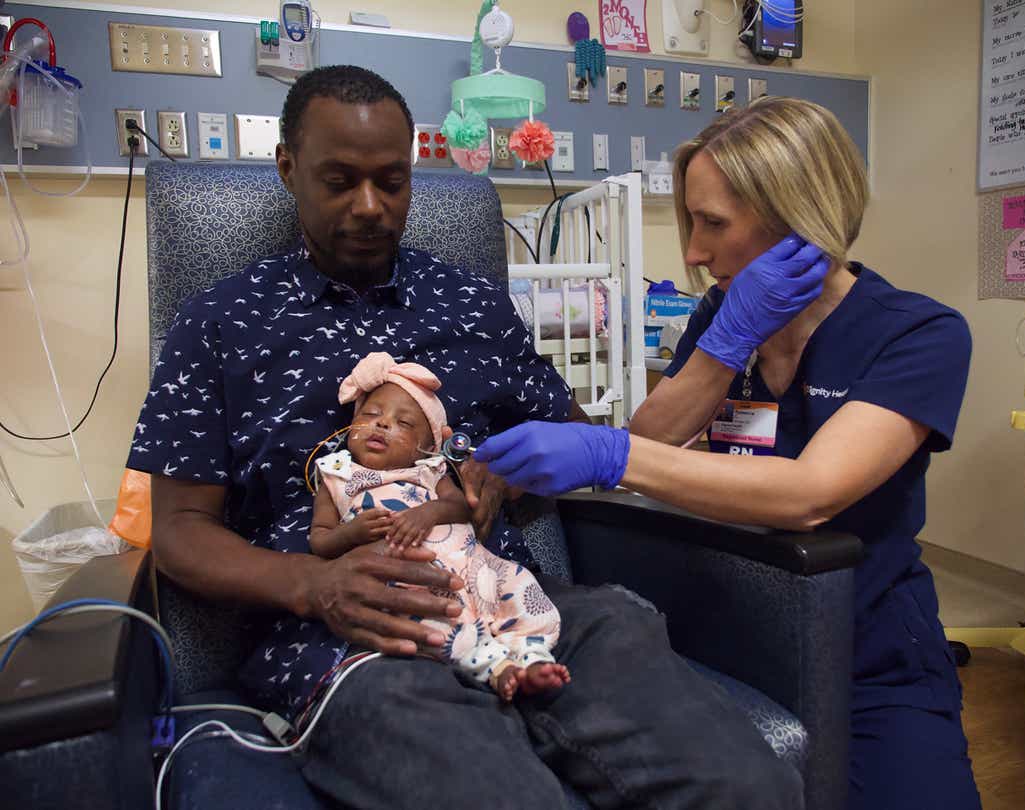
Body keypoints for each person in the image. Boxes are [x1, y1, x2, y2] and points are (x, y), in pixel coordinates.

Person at [128, 65, 803, 809]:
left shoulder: (471, 302)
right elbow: (180, 533)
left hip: (517, 606)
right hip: (355, 641)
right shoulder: (220, 324)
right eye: (340, 180)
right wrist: (311, 584)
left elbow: (575, 441)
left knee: (749, 786)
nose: (370, 206)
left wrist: (508, 474)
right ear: (288, 168)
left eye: (392, 181)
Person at [475, 97, 982, 810]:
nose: (691, 252)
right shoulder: (723, 313)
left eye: (713, 224)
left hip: (867, 650)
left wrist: (606, 454)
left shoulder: (917, 334)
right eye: (691, 221)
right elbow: (656, 436)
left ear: (800, 221)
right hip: (725, 623)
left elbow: (810, 495)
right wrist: (727, 341)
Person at [310, 352, 570, 701]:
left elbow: (460, 506)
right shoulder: (338, 476)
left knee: (522, 583)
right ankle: (494, 668)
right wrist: (352, 533)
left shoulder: (428, 471)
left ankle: (532, 654)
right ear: (352, 424)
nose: (383, 424)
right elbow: (321, 540)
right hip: (413, 582)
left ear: (427, 447)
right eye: (372, 414)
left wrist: (428, 513)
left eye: (404, 424)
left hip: (477, 567)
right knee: (429, 624)